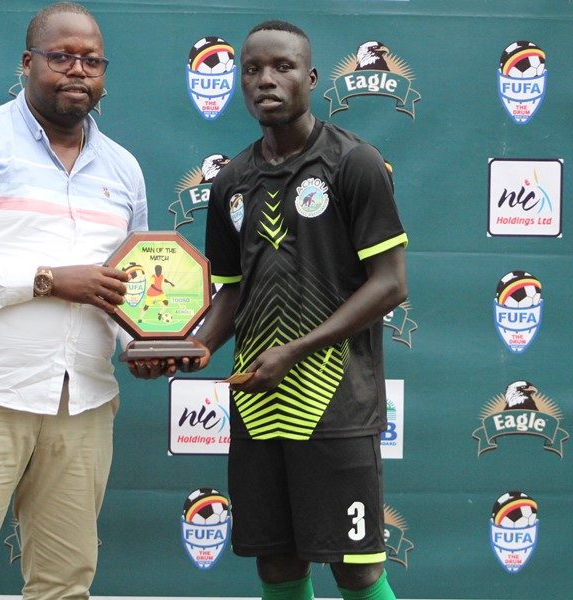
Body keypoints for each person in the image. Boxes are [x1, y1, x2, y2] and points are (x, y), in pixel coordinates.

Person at [129, 20, 407, 600]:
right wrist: (196, 346)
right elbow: (232, 292)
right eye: (252, 69)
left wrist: (295, 351)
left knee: (356, 568)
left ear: (311, 77)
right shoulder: (232, 180)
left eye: (282, 67)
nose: (265, 80)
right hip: (259, 408)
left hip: (334, 405)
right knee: (277, 565)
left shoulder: (353, 163)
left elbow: (389, 285)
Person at [0, 3, 147, 599]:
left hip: (83, 399)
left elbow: (132, 285)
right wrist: (47, 280)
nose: (77, 70)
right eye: (61, 56)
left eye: (92, 61)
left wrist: (147, 343)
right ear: (27, 62)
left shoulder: (123, 169)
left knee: (65, 585)